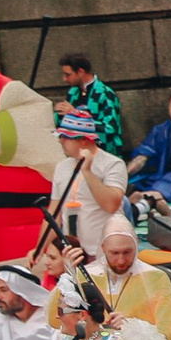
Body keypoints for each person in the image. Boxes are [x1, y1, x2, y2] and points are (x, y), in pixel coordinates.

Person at [46, 110, 129, 258]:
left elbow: (111, 205)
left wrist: (88, 172)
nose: (60, 141)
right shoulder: (61, 167)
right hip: (73, 253)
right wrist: (39, 250)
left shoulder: (113, 164)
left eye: (66, 137)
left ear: (83, 140)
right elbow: (53, 214)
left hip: (105, 253)